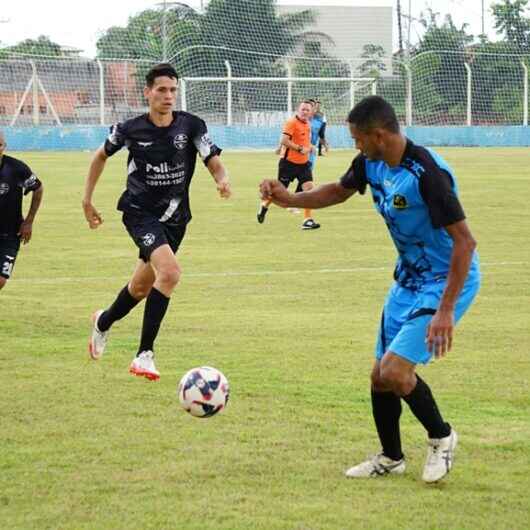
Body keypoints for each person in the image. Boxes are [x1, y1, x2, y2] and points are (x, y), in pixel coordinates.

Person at [260, 95, 480, 483]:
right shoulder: (371, 163)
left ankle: (442, 437)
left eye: (358, 138)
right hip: (407, 279)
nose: (355, 146)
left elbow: (465, 242)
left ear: (378, 135)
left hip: (444, 280)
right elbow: (338, 190)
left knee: (396, 371)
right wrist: (289, 198)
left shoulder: (427, 173)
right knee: (379, 375)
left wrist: (445, 312)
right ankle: (391, 457)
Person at [82, 63, 231, 381]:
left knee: (140, 287)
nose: (168, 96)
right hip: (139, 213)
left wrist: (222, 179)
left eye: (173, 90)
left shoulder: (191, 126)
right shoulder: (130, 129)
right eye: (161, 90)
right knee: (171, 272)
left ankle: (103, 322)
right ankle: (144, 355)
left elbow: (212, 160)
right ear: (147, 92)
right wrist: (87, 199)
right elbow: (100, 156)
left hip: (176, 218)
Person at [258, 100, 320, 230]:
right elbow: (284, 140)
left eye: (307, 110)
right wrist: (299, 149)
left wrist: (311, 147)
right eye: (302, 109)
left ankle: (307, 220)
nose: (304, 112)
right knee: (278, 194)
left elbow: (305, 142)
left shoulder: (307, 124)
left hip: (304, 164)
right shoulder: (291, 123)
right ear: (298, 110)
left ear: (311, 112)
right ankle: (264, 206)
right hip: (288, 164)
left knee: (309, 190)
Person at [0, 130, 44, 291]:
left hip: (11, 234)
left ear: (4, 146)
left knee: (1, 280)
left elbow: (38, 188)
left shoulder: (17, 168)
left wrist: (29, 221)